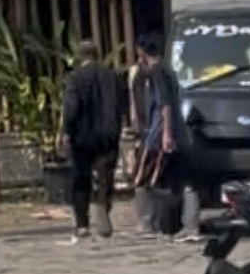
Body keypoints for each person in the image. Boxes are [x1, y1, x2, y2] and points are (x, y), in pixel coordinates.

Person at [133, 34, 197, 240]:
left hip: (159, 133)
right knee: (181, 180)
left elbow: (164, 104)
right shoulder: (169, 70)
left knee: (144, 178)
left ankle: (148, 222)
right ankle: (187, 224)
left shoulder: (157, 73)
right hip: (177, 133)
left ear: (142, 52)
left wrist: (166, 134)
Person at [62, 39, 122, 243]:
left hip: (83, 136)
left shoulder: (75, 78)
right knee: (106, 176)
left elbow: (71, 108)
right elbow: (119, 104)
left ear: (79, 56)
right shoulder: (111, 76)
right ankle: (103, 206)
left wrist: (67, 132)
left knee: (81, 179)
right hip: (107, 134)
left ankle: (82, 225)